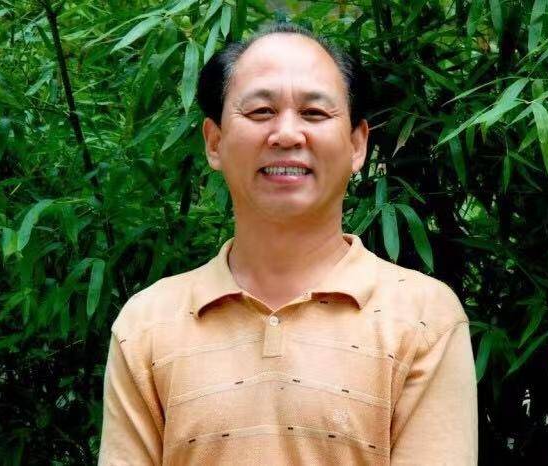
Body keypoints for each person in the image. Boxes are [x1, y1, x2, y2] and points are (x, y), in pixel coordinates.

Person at [97, 21, 478, 466]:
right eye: (261, 111)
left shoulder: (424, 319)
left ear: (357, 145)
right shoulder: (146, 324)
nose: (287, 134)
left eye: (314, 113)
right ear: (214, 142)